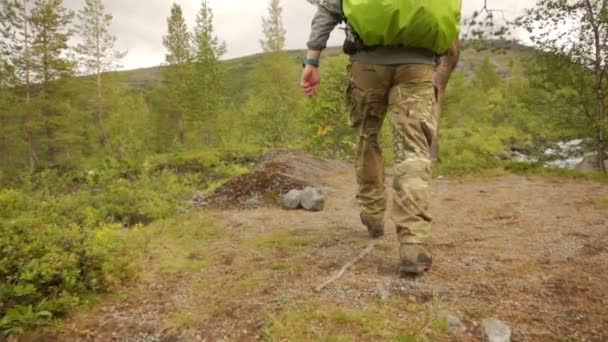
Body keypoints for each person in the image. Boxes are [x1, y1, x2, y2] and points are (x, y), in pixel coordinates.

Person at [300, 0, 460, 276]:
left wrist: (312, 60)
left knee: (366, 137)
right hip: (419, 65)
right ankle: (412, 242)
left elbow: (328, 9)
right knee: (413, 150)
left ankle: (373, 214)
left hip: (367, 66)